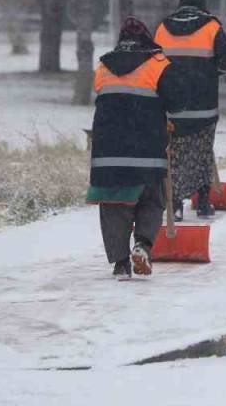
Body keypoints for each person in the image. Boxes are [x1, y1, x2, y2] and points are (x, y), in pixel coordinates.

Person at [86, 17, 185, 281]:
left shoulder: (103, 66)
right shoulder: (159, 64)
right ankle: (142, 244)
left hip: (108, 150)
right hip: (147, 149)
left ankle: (120, 263)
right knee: (151, 199)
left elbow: (104, 97)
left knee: (114, 203)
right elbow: (177, 102)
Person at [154, 0, 226, 218]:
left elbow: (153, 63)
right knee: (202, 152)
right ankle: (203, 202)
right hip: (204, 106)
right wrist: (209, 74)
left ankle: (175, 203)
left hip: (171, 107)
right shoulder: (211, 27)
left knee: (174, 154)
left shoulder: (162, 28)